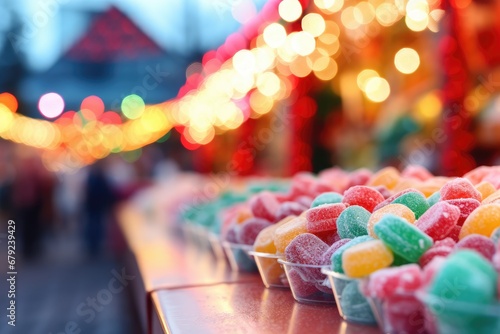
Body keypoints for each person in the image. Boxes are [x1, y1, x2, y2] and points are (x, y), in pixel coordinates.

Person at [82, 159, 116, 257]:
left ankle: (93, 245)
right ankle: (94, 244)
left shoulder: (92, 176)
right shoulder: (97, 176)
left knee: (94, 224)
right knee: (95, 224)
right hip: (95, 204)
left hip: (93, 204)